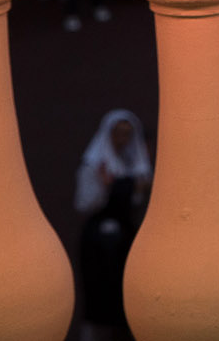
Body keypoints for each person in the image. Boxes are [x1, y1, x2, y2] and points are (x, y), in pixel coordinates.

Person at [74, 109, 151, 341]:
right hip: (99, 241)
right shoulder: (93, 166)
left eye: (127, 134)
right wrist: (107, 187)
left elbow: (136, 201)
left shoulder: (136, 168)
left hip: (125, 238)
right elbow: (84, 204)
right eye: (118, 134)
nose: (122, 140)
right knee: (98, 292)